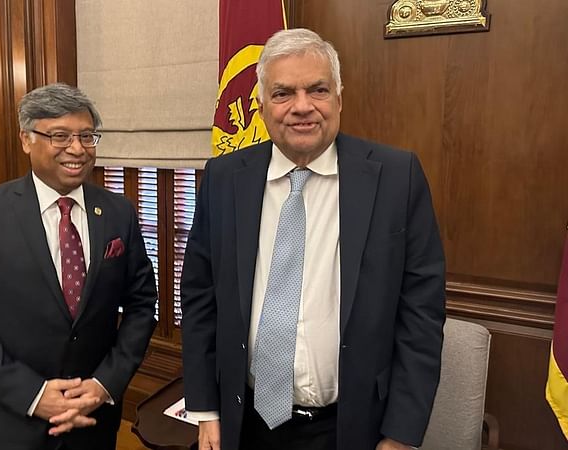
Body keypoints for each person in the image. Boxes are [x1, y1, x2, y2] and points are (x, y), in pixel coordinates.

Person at [181, 28, 445, 450]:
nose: (302, 107)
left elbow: (421, 315)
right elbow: (199, 298)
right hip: (243, 419)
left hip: (350, 425)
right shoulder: (223, 178)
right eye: (283, 93)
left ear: (339, 99)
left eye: (317, 89)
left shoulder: (397, 177)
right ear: (262, 105)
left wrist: (401, 433)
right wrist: (206, 409)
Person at [0, 83, 158, 450]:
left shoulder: (119, 212)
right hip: (14, 422)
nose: (77, 149)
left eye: (87, 136)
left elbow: (141, 306)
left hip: (94, 419)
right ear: (26, 139)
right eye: (60, 136)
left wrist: (104, 384)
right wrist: (35, 395)